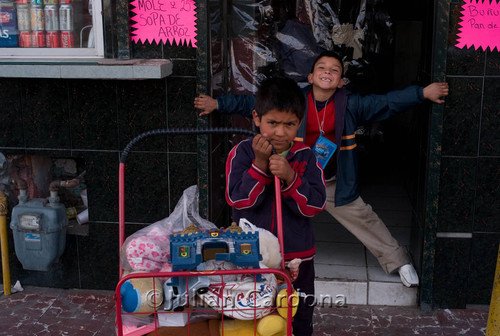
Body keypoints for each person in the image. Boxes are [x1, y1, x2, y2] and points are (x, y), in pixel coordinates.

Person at [195, 50, 450, 287]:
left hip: (327, 182)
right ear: (311, 76)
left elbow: (385, 102)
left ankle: (399, 262)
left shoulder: (350, 103)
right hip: (283, 174)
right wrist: (218, 104)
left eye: (335, 70)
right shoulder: (296, 100)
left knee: (364, 217)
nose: (327, 72)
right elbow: (253, 104)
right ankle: (256, 272)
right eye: (322, 67)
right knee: (259, 220)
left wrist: (421, 93)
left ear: (341, 81)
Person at [225, 76, 327, 336]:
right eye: (273, 123)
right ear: (257, 118)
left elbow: (315, 205)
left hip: (297, 258)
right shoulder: (242, 153)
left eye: (290, 124)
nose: (281, 132)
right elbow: (238, 199)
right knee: (252, 316)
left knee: (298, 314)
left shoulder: (305, 156)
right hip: (251, 257)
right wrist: (259, 167)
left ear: (299, 123)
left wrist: (292, 178)